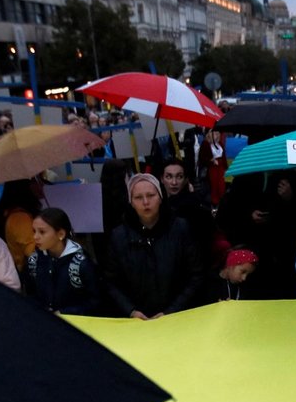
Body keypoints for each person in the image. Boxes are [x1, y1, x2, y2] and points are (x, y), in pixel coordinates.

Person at [104, 173, 203, 318]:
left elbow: (196, 275)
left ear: (160, 197)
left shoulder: (180, 228)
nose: (145, 202)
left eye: (151, 195)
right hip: (136, 320)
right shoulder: (118, 236)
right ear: (131, 202)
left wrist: (171, 311)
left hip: (177, 317)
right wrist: (130, 311)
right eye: (138, 197)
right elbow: (110, 282)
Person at [23, 207, 100, 315]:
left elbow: (95, 301)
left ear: (61, 234)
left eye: (42, 232)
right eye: (34, 231)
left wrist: (65, 313)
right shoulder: (34, 260)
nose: (35, 237)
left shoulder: (81, 263)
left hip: (75, 324)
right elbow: (30, 294)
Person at [0, 178, 40, 272]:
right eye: (34, 182)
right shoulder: (19, 218)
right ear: (24, 188)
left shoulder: (8, 211)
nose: (40, 185)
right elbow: (32, 251)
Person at [198, 129, 227, 206]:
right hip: (212, 168)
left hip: (220, 167)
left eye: (217, 133)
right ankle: (215, 202)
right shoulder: (205, 143)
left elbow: (223, 156)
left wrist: (225, 166)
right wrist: (211, 160)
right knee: (214, 184)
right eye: (214, 133)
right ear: (209, 134)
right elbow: (202, 157)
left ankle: (222, 200)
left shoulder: (219, 143)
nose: (216, 135)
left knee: (221, 184)